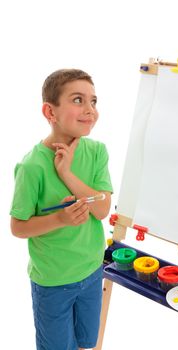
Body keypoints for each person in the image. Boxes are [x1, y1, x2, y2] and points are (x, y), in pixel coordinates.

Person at [10, 68, 113, 350]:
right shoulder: (32, 167)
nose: (90, 109)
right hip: (53, 282)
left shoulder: (97, 151)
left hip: (92, 270)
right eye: (78, 100)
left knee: (86, 342)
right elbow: (18, 227)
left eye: (93, 101)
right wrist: (59, 218)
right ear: (50, 111)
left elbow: (102, 209)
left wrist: (67, 173)